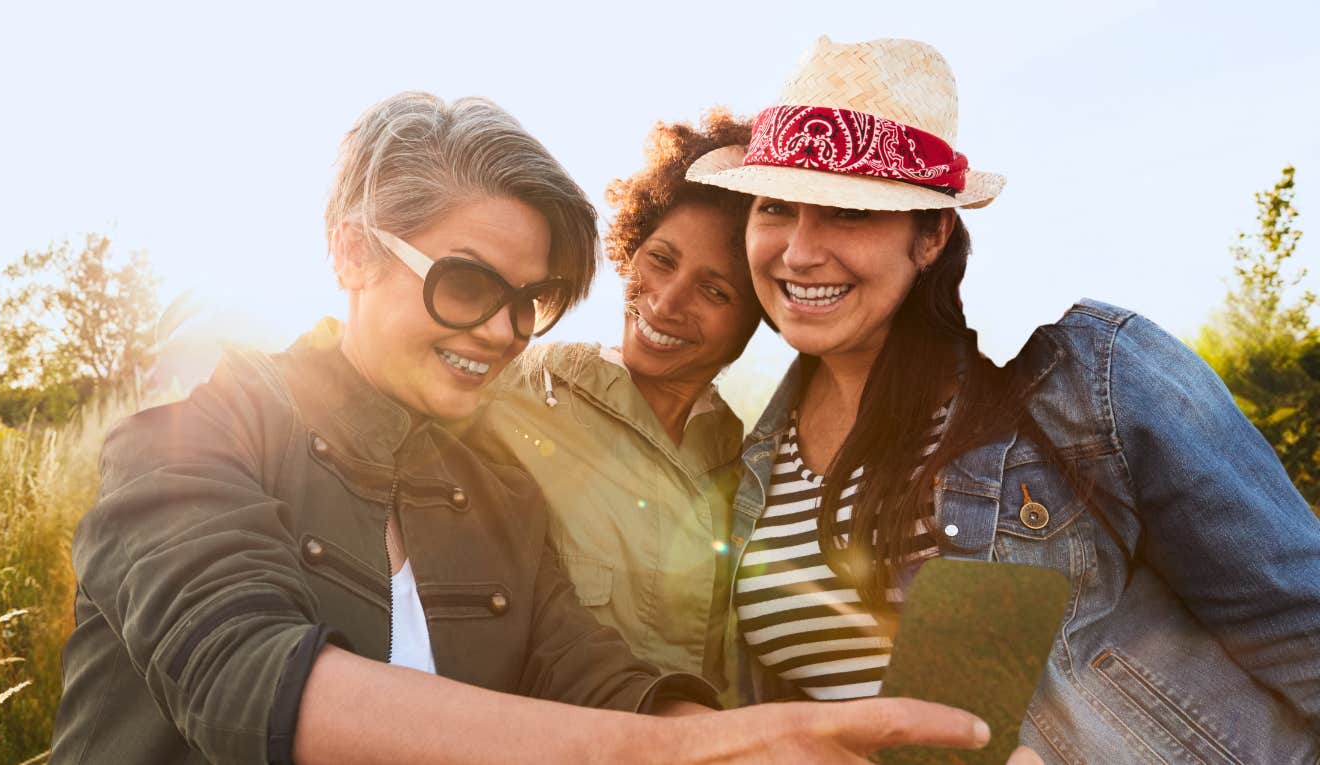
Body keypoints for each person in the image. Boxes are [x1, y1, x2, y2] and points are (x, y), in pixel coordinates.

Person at [50, 90, 1003, 764]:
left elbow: (585, 663)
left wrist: (723, 730)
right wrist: (685, 750)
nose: (504, 332)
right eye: (467, 285)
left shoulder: (495, 493)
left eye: (531, 301)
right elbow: (240, 675)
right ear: (350, 249)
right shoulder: (189, 440)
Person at [687, 37, 1320, 763]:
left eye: (849, 212)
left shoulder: (1088, 374)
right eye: (776, 208)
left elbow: (1301, 626)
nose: (799, 251)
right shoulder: (753, 464)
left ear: (932, 235)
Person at [464, 110, 762, 704]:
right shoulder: (509, 397)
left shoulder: (751, 467)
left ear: (758, 316)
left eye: (715, 290)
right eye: (661, 259)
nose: (666, 302)